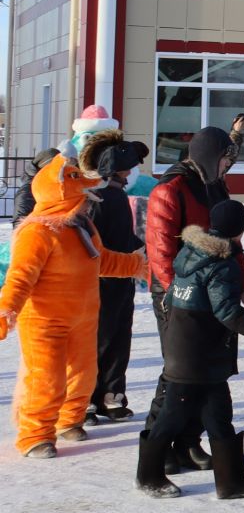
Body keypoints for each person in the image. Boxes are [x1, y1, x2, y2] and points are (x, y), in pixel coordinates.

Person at [0, 139, 149, 457]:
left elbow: (102, 260)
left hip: (83, 318)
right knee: (46, 377)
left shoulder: (82, 227)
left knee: (84, 374)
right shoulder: (36, 232)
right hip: (45, 321)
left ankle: (70, 420)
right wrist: (6, 309)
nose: (87, 202)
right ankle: (35, 433)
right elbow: (20, 277)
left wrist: (138, 267)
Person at [137, 200, 244, 497]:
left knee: (219, 414)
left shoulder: (193, 251)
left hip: (192, 347)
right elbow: (227, 313)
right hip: (196, 352)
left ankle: (232, 481)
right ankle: (147, 476)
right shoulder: (221, 263)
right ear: (240, 231)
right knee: (171, 415)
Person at [143, 124, 241, 473]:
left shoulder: (215, 187)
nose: (228, 167)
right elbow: (160, 252)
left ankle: (187, 442)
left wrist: (243, 285)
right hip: (177, 296)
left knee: (206, 370)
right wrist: (180, 295)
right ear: (209, 157)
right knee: (178, 370)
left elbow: (230, 240)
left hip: (213, 291)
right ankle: (158, 443)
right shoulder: (170, 190)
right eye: (226, 160)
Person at [87, 138, 150, 424]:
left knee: (112, 337)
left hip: (117, 276)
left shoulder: (108, 195)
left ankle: (105, 396)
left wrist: (137, 247)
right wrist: (137, 249)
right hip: (108, 277)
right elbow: (103, 239)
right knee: (106, 338)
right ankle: (98, 398)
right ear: (121, 169)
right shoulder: (104, 197)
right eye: (130, 167)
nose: (133, 171)